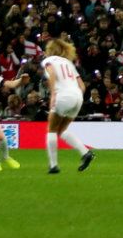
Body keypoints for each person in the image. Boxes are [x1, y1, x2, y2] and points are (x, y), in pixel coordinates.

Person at [41, 36, 94, 174]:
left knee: (52, 129)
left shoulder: (49, 61)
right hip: (77, 97)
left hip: (63, 96)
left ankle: (53, 166)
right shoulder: (68, 63)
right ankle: (85, 152)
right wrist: (76, 97)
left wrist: (53, 94)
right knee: (61, 130)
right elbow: (82, 86)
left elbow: (52, 74)